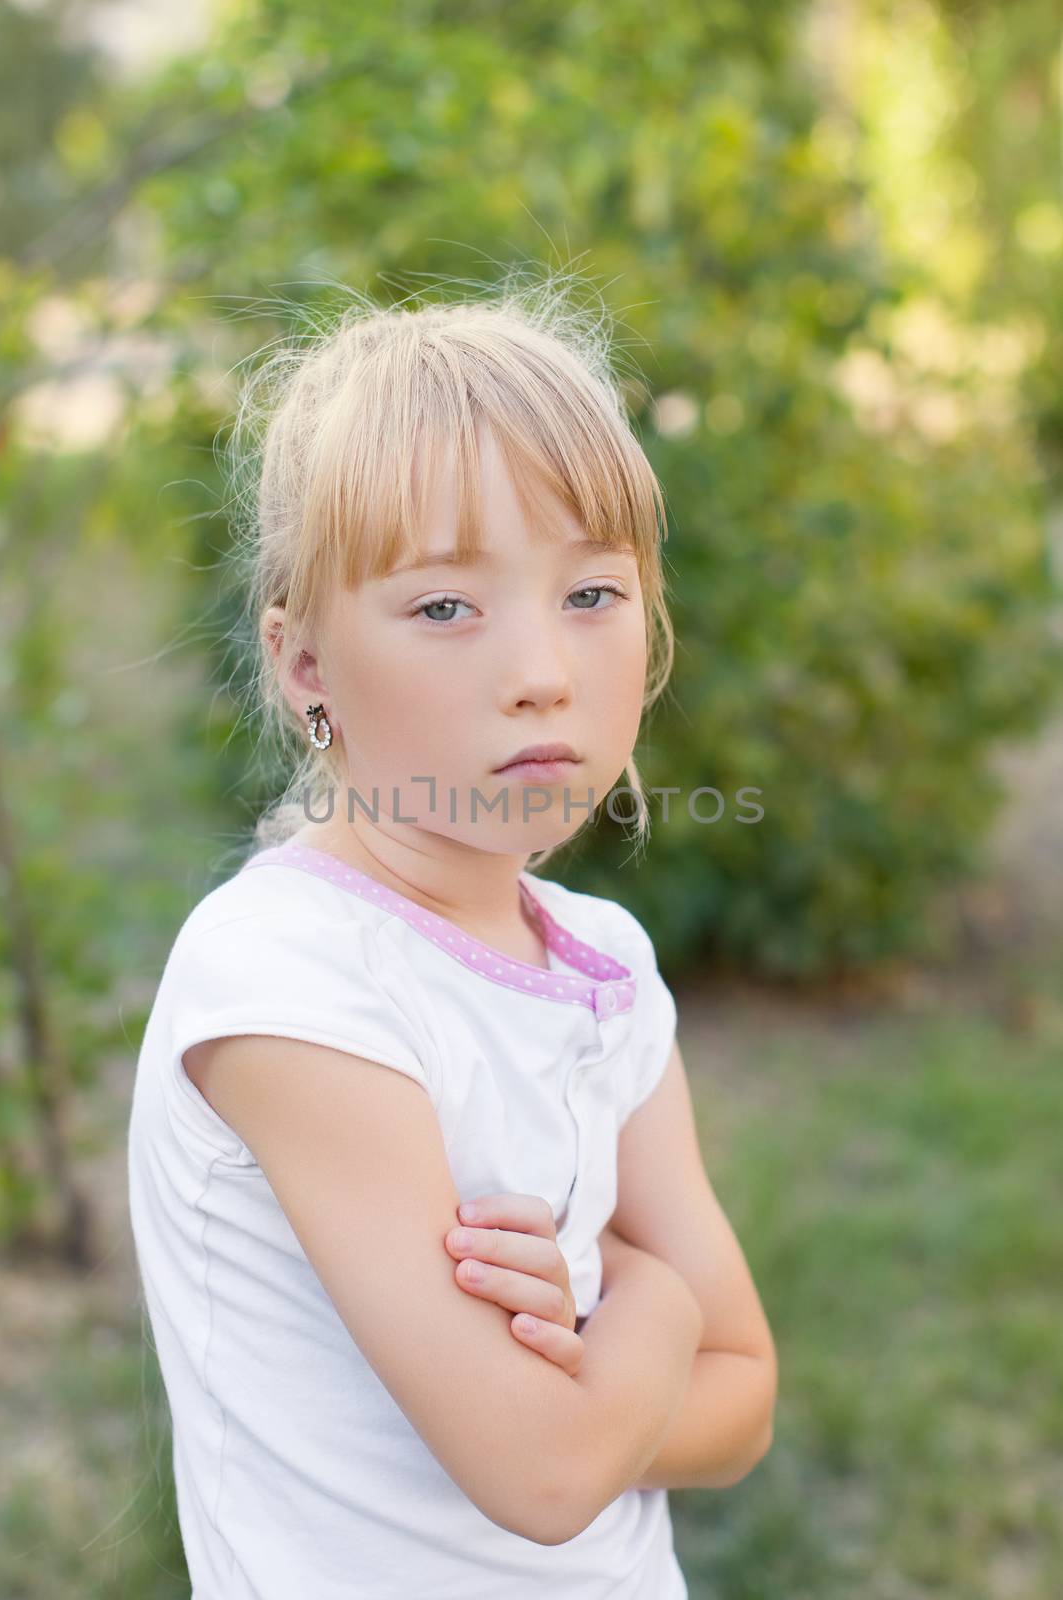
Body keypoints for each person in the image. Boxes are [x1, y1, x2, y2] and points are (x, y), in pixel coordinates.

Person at [127, 276, 777, 1599]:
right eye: (445, 607)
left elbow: (748, 1401)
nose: (540, 666)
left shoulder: (603, 969)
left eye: (592, 594)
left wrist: (610, 1367)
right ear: (306, 665)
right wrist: (649, 1302)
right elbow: (540, 1474)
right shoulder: (284, 975)